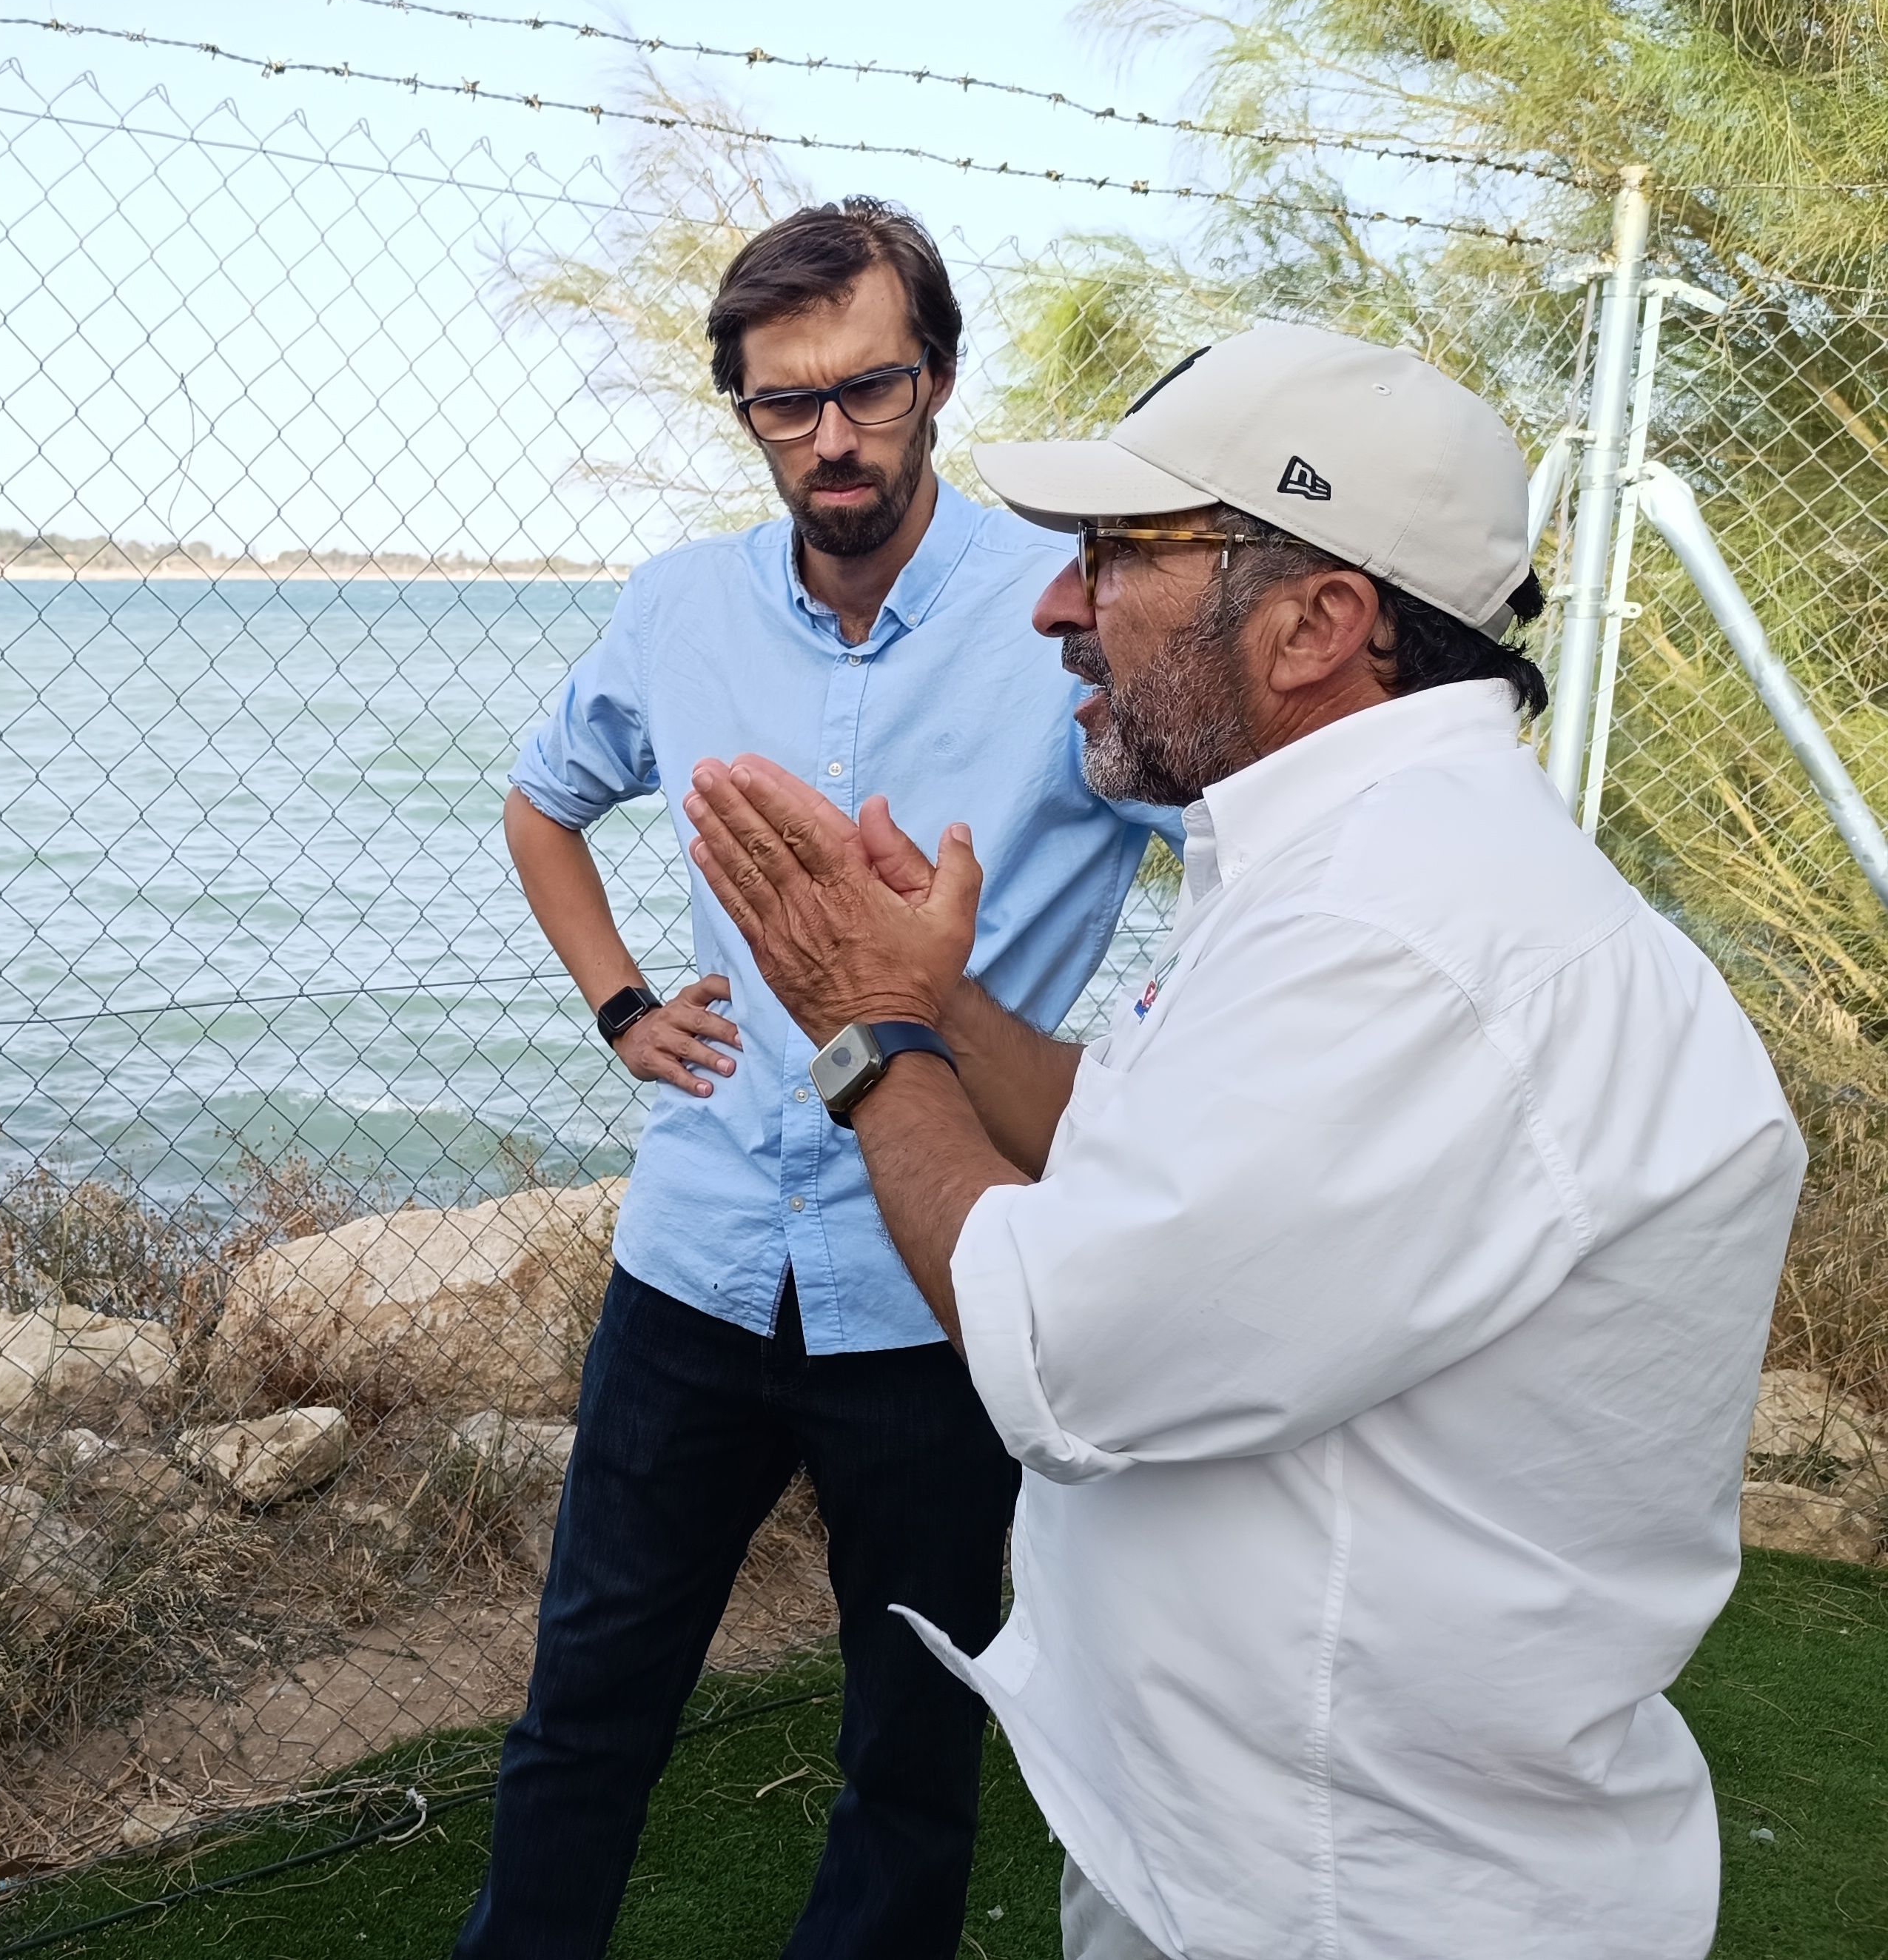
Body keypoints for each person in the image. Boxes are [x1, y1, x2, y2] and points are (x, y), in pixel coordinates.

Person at [682, 320, 1804, 1960]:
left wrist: (868, 1035)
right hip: (1268, 1855)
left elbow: (1063, 1348)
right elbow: (1153, 1159)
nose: (1057, 606)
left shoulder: (1397, 934)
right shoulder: (1367, 871)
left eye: (1115, 555)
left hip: (1346, 1902)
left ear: (1316, 625)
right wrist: (940, 1004)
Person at [465, 198, 1174, 1960]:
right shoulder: (679, 607)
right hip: (696, 1254)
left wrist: (1151, 1092)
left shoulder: (1066, 614)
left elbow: (1240, 844)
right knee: (585, 1706)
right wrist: (625, 1006)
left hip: (935, 1274)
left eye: (870, 387)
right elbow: (544, 802)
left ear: (938, 379)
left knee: (913, 1748)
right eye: (787, 401)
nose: (833, 435)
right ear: (745, 411)